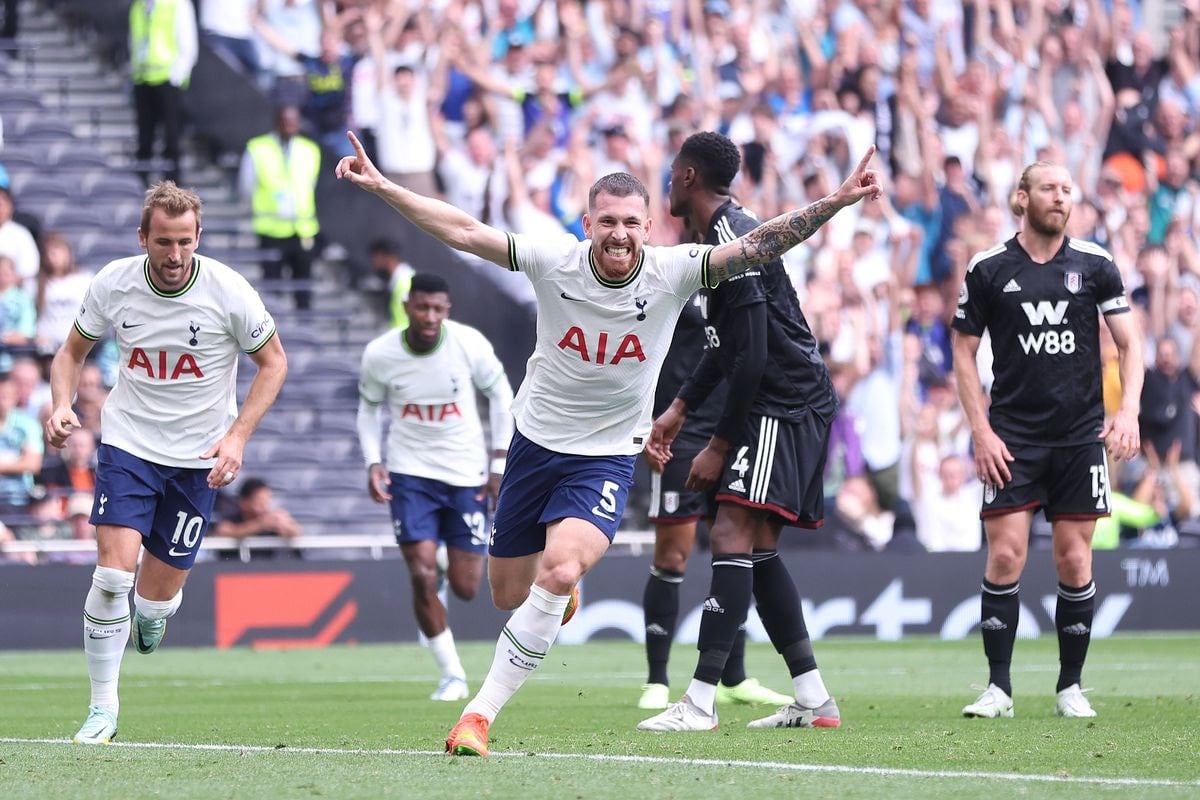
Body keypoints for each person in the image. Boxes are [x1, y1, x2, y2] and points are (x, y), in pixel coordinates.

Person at [335, 129, 879, 757]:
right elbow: (461, 230)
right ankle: (562, 592)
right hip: (535, 444)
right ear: (587, 224)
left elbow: (758, 245)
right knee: (508, 594)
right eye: (606, 222)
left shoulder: (676, 271)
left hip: (608, 452)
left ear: (648, 227)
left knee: (561, 567)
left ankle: (478, 716)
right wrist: (383, 186)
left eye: (630, 223)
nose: (619, 234)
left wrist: (836, 201)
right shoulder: (553, 262)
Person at [46, 181, 288, 745]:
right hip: (128, 444)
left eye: (184, 242)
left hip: (196, 460)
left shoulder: (229, 291)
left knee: (154, 599)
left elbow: (273, 364)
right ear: (143, 239)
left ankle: (154, 613)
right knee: (111, 577)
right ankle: (102, 708)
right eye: (163, 242)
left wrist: (237, 437)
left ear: (198, 237)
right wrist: (61, 404)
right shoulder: (114, 282)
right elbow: (70, 352)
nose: (175, 255)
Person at [637, 131, 844, 733]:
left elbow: (752, 354)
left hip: (784, 402)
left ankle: (699, 702)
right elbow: (724, 344)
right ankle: (812, 697)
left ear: (688, 177)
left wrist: (719, 443)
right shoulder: (722, 235)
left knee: (730, 528)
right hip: (786, 400)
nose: (668, 182)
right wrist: (679, 408)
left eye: (672, 173)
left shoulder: (729, 237)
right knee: (756, 546)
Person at [952, 162, 1142, 720]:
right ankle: (998, 689)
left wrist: (1127, 410)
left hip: (1079, 438)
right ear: (1022, 197)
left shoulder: (1095, 263)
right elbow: (963, 351)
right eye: (1049, 189)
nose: (1060, 198)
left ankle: (1070, 687)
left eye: (1067, 189)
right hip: (1011, 437)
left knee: (1074, 559)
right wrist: (980, 431)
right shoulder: (988, 268)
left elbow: (1131, 344)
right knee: (1006, 554)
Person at [637, 178, 793, 714]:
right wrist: (653, 421)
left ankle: (735, 676)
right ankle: (657, 678)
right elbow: (642, 359)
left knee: (737, 544)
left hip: (735, 421)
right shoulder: (664, 276)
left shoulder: (728, 266)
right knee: (674, 552)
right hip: (682, 431)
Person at [356, 272, 514, 702]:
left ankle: (444, 557)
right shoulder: (380, 354)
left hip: (465, 475)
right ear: (407, 306)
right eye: (421, 307)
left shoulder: (469, 345)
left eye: (437, 309)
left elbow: (502, 396)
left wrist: (498, 460)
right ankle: (453, 675)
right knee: (421, 576)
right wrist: (374, 462)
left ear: (448, 310)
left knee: (466, 588)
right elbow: (368, 410)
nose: (429, 316)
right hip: (410, 475)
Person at [239, 106, 321, 311]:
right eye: (285, 121)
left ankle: (304, 329)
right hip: (270, 228)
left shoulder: (310, 150)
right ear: (277, 122)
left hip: (302, 229)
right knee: (272, 287)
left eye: (294, 121)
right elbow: (246, 186)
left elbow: (311, 184)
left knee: (303, 287)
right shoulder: (258, 148)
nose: (289, 126)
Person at [128, 0, 198, 186]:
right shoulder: (138, 6)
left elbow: (188, 45)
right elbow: (134, 40)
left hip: (167, 79)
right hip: (143, 78)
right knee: (144, 136)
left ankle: (172, 186)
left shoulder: (177, 4)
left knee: (171, 137)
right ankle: (141, 182)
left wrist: (176, 76)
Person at [211, 476, 302, 556]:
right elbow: (223, 532)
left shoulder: (272, 520)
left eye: (267, 500)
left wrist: (283, 524)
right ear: (244, 502)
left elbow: (295, 533)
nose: (264, 505)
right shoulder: (232, 516)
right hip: (233, 569)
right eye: (259, 500)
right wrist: (260, 525)